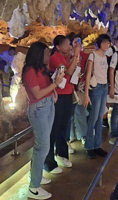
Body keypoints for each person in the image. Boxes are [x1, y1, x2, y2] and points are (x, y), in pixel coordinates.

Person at [23, 42, 64, 200]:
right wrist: (55, 84)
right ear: (38, 55)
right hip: (39, 109)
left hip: (47, 106)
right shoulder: (30, 71)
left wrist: (54, 88)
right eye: (46, 54)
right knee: (43, 146)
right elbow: (37, 94)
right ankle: (33, 188)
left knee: (42, 145)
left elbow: (46, 88)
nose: (49, 56)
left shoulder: (41, 69)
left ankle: (36, 175)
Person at [44, 35, 81, 173]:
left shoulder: (66, 58)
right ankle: (49, 161)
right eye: (66, 44)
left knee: (64, 126)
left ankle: (62, 154)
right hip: (58, 96)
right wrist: (76, 55)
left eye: (69, 43)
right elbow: (69, 71)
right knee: (55, 127)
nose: (69, 46)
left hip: (67, 95)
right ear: (58, 47)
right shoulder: (55, 58)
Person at [82, 34, 111, 159]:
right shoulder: (93, 55)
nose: (107, 45)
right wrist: (86, 94)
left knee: (100, 117)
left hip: (104, 87)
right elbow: (88, 74)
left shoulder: (105, 57)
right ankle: (89, 146)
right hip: (96, 88)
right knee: (93, 118)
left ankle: (97, 145)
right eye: (105, 43)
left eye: (108, 43)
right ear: (99, 43)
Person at [68, 35, 89, 148]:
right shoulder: (69, 56)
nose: (78, 44)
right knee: (70, 113)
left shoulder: (85, 56)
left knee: (80, 111)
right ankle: (71, 135)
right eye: (75, 42)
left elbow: (88, 71)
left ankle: (83, 135)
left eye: (80, 42)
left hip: (80, 86)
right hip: (70, 86)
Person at [103, 33, 118, 128]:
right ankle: (104, 118)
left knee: (113, 102)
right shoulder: (111, 51)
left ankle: (106, 118)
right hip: (109, 79)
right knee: (108, 100)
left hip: (116, 79)